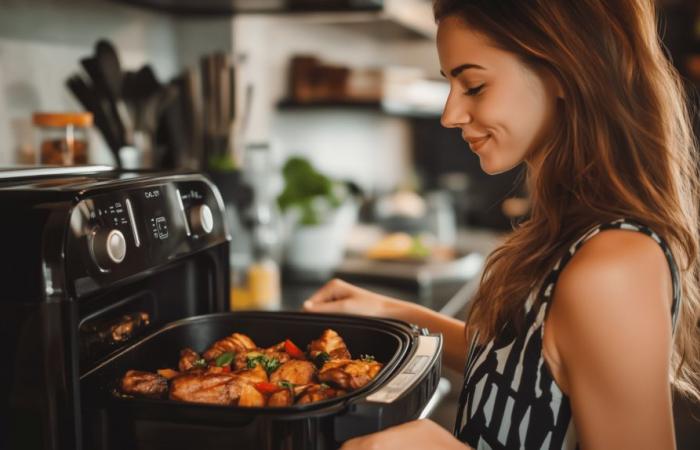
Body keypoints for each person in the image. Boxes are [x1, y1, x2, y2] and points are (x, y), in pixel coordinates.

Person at [303, 0, 700, 449]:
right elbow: (527, 364)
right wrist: (395, 316)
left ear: (563, 71)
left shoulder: (613, 267)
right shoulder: (570, 229)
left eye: (473, 86)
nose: (450, 115)